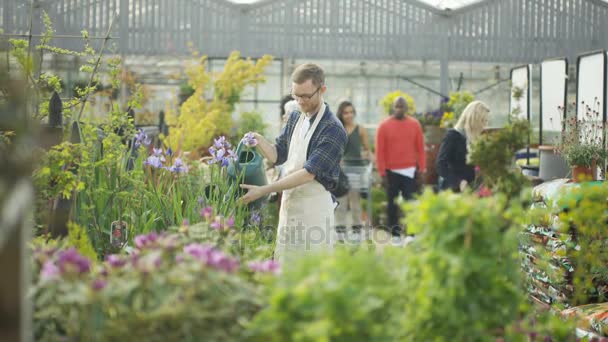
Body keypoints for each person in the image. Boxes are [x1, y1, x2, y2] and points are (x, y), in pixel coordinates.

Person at [239, 63, 347, 263]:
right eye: (295, 95)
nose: (300, 101)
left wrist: (264, 189)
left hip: (313, 208)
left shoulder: (333, 129)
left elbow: (308, 173)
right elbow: (277, 155)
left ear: (322, 90)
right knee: (285, 264)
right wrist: (259, 140)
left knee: (311, 269)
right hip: (290, 206)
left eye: (306, 96)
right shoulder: (296, 116)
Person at [375, 96, 426, 244]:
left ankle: (411, 233)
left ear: (406, 108)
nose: (399, 109)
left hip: (410, 171)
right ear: (393, 108)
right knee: (392, 204)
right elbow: (380, 152)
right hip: (391, 172)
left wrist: (421, 170)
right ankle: (396, 234)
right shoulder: (384, 126)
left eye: (402, 106)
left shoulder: (415, 125)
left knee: (410, 203)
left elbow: (420, 149)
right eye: (397, 106)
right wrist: (382, 173)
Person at [334, 101, 371, 241]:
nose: (349, 115)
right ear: (341, 114)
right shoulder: (337, 129)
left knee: (355, 201)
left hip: (357, 170)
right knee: (341, 202)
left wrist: (367, 157)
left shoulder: (360, 129)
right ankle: (340, 231)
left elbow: (367, 150)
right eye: (345, 112)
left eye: (351, 112)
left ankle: (356, 231)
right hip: (341, 171)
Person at [436, 100, 490, 192]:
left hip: (470, 190)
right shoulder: (453, 136)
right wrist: (458, 182)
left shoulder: (476, 139)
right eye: (483, 121)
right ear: (473, 119)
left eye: (486, 121)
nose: (485, 125)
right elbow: (440, 164)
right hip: (452, 191)